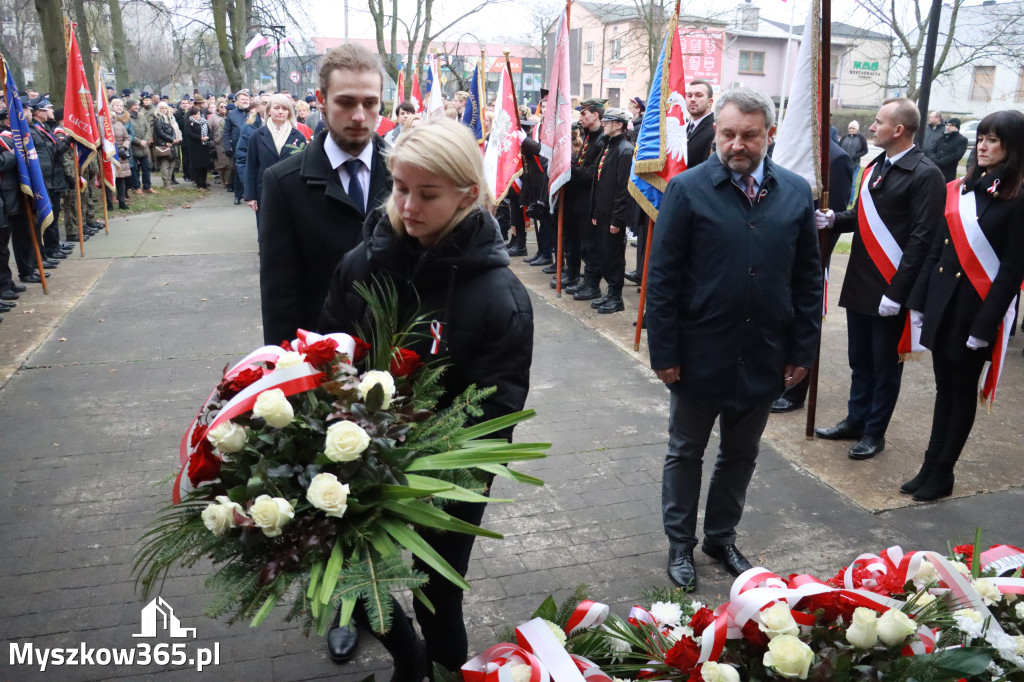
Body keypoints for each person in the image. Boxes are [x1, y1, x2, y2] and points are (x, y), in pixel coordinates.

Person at [319, 117, 533, 681]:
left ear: (467, 195)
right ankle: (407, 658)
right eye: (400, 188)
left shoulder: (499, 296)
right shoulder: (364, 263)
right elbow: (329, 351)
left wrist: (425, 458)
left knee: (437, 590)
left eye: (427, 194)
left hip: (447, 474)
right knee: (354, 572)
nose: (408, 207)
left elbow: (495, 408)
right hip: (356, 459)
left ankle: (441, 668)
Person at [647, 87, 822, 591]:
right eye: (728, 134)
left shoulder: (794, 193)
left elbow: (809, 281)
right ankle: (680, 543)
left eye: (749, 135)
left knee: (741, 453)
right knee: (686, 451)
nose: (737, 144)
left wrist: (802, 350)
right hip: (699, 353)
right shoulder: (687, 189)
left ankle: (720, 537)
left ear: (768, 134)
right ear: (717, 134)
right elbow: (664, 278)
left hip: (765, 353)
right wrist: (666, 351)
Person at [902, 110, 1024, 501]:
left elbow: (1010, 273)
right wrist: (919, 301)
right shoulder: (964, 189)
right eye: (982, 138)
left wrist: (985, 327)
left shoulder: (1018, 199)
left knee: (961, 391)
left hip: (976, 311)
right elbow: (937, 247)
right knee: (944, 389)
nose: (982, 146)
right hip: (944, 305)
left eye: (993, 140)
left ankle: (943, 471)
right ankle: (928, 464)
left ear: (1013, 148)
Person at [814, 98, 946, 459]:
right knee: (860, 360)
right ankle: (855, 421)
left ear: (898, 130)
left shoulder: (926, 174)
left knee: (885, 367)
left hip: (890, 287)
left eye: (878, 122)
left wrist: (898, 292)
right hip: (861, 281)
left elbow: (922, 239)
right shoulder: (876, 166)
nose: (871, 127)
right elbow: (863, 216)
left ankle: (874, 432)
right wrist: (835, 220)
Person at [258, 42, 393, 363]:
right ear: (321, 100)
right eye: (346, 102)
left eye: (370, 103)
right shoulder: (283, 183)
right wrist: (289, 372)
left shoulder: (409, 174)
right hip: (322, 362)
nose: (359, 116)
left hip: (401, 361)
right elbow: (280, 293)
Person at [770, 138, 855, 413]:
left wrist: (816, 259)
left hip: (808, 257)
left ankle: (795, 392)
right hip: (778, 255)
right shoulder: (788, 146)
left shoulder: (837, 158)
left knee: (802, 320)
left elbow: (834, 215)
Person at [587, 107, 634, 313]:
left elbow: (623, 189)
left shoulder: (625, 149)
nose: (604, 123)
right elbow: (600, 183)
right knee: (604, 253)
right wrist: (596, 212)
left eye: (609, 121)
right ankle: (610, 294)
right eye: (604, 120)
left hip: (613, 214)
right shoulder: (607, 145)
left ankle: (616, 297)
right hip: (602, 212)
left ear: (620, 125)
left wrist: (617, 219)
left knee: (614, 256)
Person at [560, 99, 606, 297]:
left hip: (590, 200)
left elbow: (591, 173)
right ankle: (586, 281)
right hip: (580, 199)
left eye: (584, 114)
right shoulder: (588, 136)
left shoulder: (601, 140)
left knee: (591, 244)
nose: (580, 118)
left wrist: (570, 170)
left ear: (595, 115)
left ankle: (593, 285)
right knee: (583, 243)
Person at [244, 94, 306, 222]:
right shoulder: (257, 136)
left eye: (285, 108)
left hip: (291, 191)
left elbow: (304, 166)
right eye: (276, 108)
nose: (280, 112)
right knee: (267, 229)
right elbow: (251, 166)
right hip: (264, 191)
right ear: (268, 111)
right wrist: (250, 195)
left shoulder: (298, 136)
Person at [222, 90, 251, 204]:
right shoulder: (232, 114)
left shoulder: (253, 112)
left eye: (247, 99)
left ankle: (249, 194)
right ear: (237, 101)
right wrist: (227, 147)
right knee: (238, 172)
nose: (245, 101)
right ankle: (237, 195)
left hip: (251, 146)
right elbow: (226, 132)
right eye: (242, 99)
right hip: (237, 148)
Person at [128, 98, 155, 195]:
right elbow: (128, 133)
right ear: (129, 106)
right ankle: (136, 187)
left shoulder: (142, 116)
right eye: (134, 105)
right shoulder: (126, 117)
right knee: (135, 169)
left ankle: (147, 186)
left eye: (137, 105)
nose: (136, 107)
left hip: (144, 147)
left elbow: (148, 129)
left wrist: (145, 140)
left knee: (147, 167)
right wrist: (139, 141)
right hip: (134, 147)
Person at [110, 99, 134, 209]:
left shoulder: (120, 124)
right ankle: (109, 202)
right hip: (109, 155)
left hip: (121, 154)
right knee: (110, 179)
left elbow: (127, 137)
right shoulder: (102, 126)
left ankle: (122, 201)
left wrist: (124, 147)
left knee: (121, 179)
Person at [931, 117, 969, 182]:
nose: (948, 127)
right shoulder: (942, 137)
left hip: (948, 171)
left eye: (951, 125)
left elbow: (957, 155)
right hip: (935, 168)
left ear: (957, 127)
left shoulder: (962, 140)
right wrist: (934, 159)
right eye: (947, 125)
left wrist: (941, 161)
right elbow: (932, 149)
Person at [183, 106, 212, 189]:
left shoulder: (204, 122)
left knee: (204, 165)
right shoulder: (189, 122)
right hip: (195, 147)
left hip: (204, 146)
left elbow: (210, 132)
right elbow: (189, 133)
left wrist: (208, 137)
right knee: (197, 166)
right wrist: (200, 138)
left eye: (198, 114)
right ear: (191, 115)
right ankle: (199, 182)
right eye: (195, 114)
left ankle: (204, 182)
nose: (197, 116)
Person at [152, 102, 180, 189]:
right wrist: (171, 140)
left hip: (171, 143)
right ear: (159, 109)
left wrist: (173, 139)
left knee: (172, 162)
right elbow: (160, 132)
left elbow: (172, 130)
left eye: (165, 108)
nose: (164, 110)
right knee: (165, 163)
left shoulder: (168, 118)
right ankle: (166, 183)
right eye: (162, 108)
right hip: (163, 144)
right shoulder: (158, 118)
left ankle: (169, 181)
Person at [209, 100, 233, 190]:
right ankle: (222, 180)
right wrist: (213, 140)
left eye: (225, 107)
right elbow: (209, 129)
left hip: (226, 142)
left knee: (229, 164)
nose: (223, 109)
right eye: (221, 107)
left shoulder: (229, 116)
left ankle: (227, 181)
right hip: (218, 143)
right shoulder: (213, 117)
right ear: (218, 108)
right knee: (220, 165)